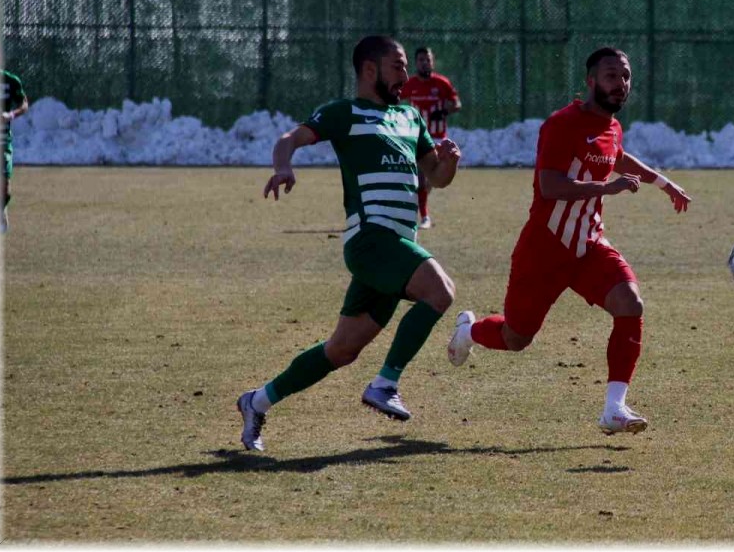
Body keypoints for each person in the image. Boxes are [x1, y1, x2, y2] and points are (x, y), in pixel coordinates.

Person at [445, 47, 692, 435]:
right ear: (591, 81)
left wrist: (664, 183)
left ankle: (615, 408)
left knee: (630, 303)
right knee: (516, 338)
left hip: (589, 246)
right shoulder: (562, 124)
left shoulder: (612, 126)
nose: (620, 83)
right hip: (543, 250)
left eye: (626, 76)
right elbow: (550, 185)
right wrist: (606, 189)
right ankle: (469, 331)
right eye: (611, 75)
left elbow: (618, 156)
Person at [236, 36, 462, 451]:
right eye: (397, 66)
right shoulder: (345, 112)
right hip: (370, 240)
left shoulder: (410, 118)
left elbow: (436, 177)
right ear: (370, 70)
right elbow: (289, 139)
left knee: (341, 350)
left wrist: (448, 162)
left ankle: (257, 401)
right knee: (440, 290)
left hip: (396, 245)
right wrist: (284, 166)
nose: (405, 75)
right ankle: (385, 383)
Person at [401, 47, 461, 230]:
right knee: (420, 178)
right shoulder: (410, 84)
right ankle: (424, 216)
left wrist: (443, 111)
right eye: (420, 60)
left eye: (427, 59)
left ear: (432, 61)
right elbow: (394, 101)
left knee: (429, 182)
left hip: (438, 138)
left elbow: (456, 104)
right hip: (418, 137)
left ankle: (421, 208)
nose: (424, 63)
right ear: (415, 62)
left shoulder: (441, 83)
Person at [0, 43, 29, 234]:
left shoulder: (10, 81)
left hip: (2, 141)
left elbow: (24, 104)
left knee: (5, 188)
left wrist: (11, 115)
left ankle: (0, 206)